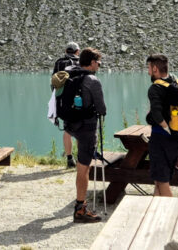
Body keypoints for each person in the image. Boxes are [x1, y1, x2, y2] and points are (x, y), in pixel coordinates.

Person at [66, 47, 106, 223]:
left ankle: (80, 205)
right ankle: (80, 209)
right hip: (87, 128)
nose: (99, 65)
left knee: (82, 166)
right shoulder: (92, 80)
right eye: (98, 62)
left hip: (71, 125)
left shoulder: (70, 75)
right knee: (84, 167)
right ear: (91, 63)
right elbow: (102, 109)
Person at [146, 53, 178, 196]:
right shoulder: (176, 83)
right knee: (159, 180)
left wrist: (165, 127)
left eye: (149, 68)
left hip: (160, 139)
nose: (148, 71)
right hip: (175, 140)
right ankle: (155, 212)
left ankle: (172, 214)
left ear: (155, 68)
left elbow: (156, 114)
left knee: (162, 182)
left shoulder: (155, 88)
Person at [52, 42, 80, 168]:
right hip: (78, 101)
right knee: (80, 129)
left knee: (67, 129)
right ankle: (81, 158)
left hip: (63, 102)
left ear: (66, 50)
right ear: (77, 51)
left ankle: (69, 158)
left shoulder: (59, 62)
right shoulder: (80, 62)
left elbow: (53, 82)